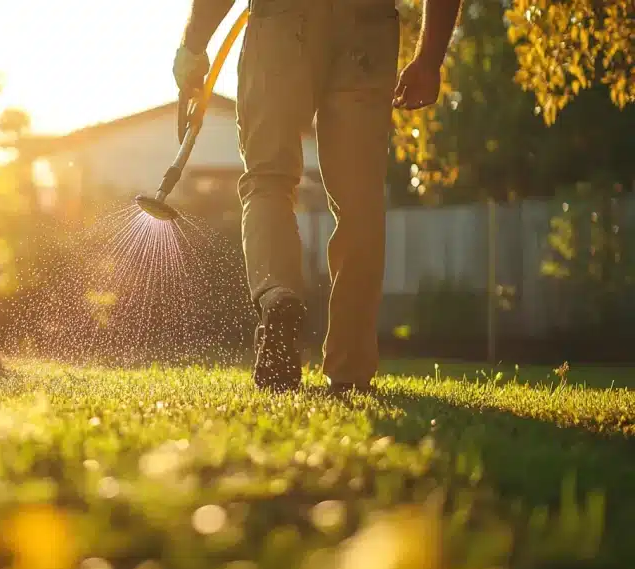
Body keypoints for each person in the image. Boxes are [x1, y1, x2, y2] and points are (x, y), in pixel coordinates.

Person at [174, 0, 461, 394]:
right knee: (359, 200)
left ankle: (279, 295)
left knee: (268, 179)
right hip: (369, 23)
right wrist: (429, 57)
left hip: (282, 20)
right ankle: (351, 367)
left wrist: (193, 44)